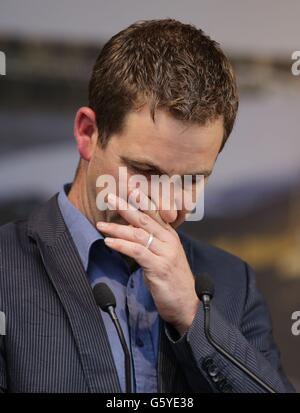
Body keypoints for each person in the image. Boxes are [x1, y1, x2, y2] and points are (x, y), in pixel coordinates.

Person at [0, 19, 294, 393]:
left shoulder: (235, 283)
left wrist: (194, 318)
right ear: (88, 134)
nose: (167, 208)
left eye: (193, 179)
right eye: (146, 171)